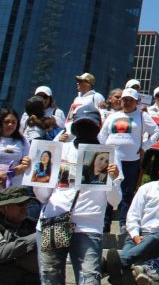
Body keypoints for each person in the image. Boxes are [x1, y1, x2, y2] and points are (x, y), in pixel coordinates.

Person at [35, 104, 122, 285]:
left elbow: (115, 201)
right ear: (74, 126)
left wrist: (113, 180)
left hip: (88, 227)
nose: (85, 130)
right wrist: (37, 176)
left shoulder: (110, 155)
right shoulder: (60, 150)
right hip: (55, 220)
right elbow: (43, 196)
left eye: (90, 126)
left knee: (89, 280)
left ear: (98, 128)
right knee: (50, 278)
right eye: (81, 125)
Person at [102, 160, 159, 285]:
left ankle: (106, 267)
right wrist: (135, 236)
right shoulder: (146, 189)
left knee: (147, 243)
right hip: (140, 235)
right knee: (124, 265)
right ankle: (119, 273)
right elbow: (133, 215)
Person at [98, 88, 159, 234]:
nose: (127, 103)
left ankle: (123, 222)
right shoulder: (112, 116)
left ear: (136, 102)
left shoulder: (142, 116)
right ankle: (105, 223)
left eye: (130, 100)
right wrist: (104, 150)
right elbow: (102, 135)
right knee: (107, 189)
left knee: (127, 192)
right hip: (112, 159)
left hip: (131, 159)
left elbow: (156, 131)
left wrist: (144, 146)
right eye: (124, 99)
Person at [0, 186, 38, 284]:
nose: (25, 208)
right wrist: (36, 237)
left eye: (27, 203)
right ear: (4, 207)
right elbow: (2, 252)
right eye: (20, 204)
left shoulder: (32, 224)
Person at [0, 108, 31, 188]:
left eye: (14, 122)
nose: (10, 125)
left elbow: (26, 164)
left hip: (13, 190)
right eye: (6, 122)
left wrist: (9, 173)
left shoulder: (23, 141)